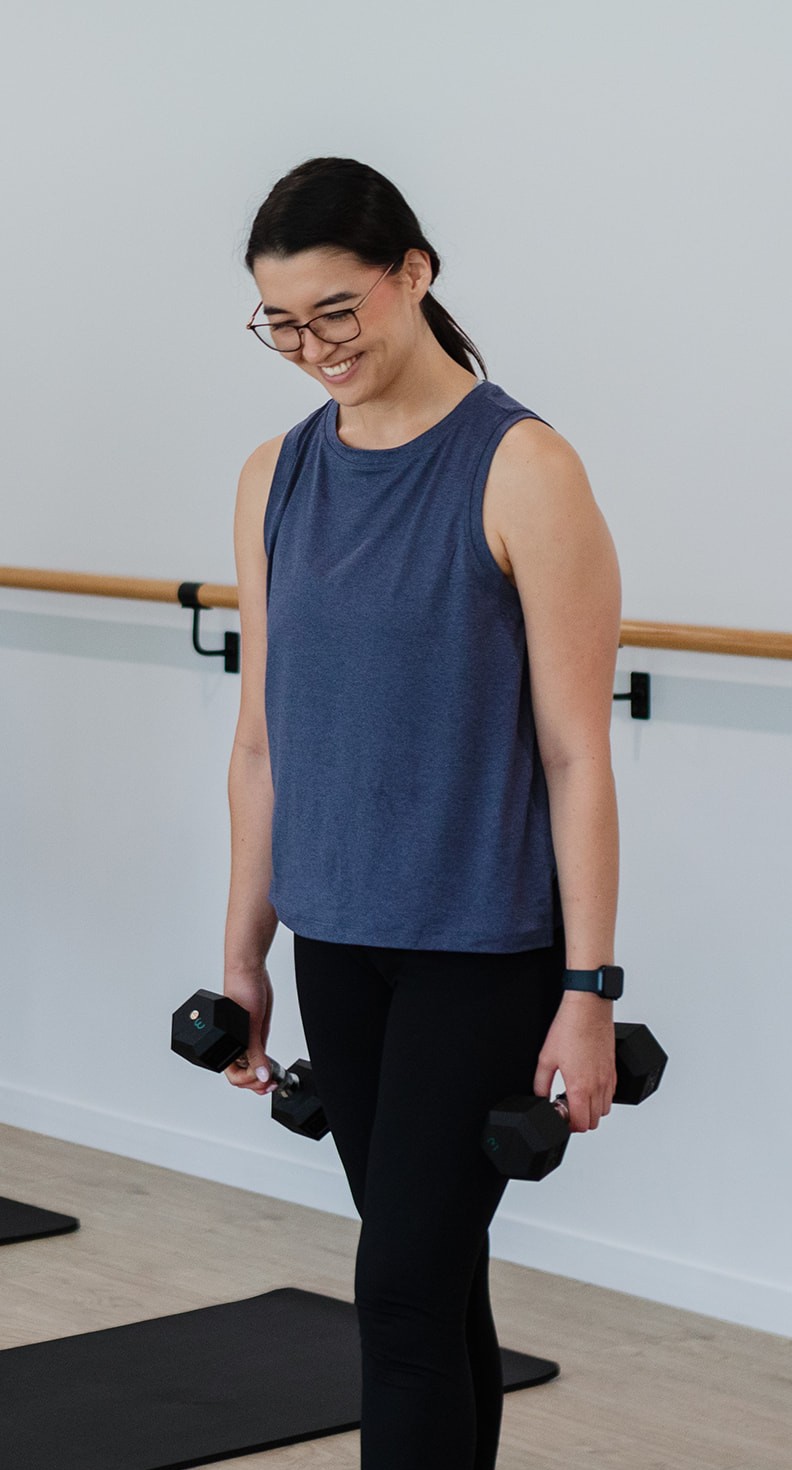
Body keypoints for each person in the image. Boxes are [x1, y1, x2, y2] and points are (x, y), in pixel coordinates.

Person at [222, 156, 622, 1470]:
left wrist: (589, 989)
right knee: (435, 1286)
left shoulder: (522, 468)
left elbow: (576, 756)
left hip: (482, 953)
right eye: (283, 323)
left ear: (415, 272)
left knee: (397, 1293)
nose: (314, 348)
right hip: (335, 942)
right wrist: (242, 954)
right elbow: (263, 741)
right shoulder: (275, 476)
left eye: (337, 311)